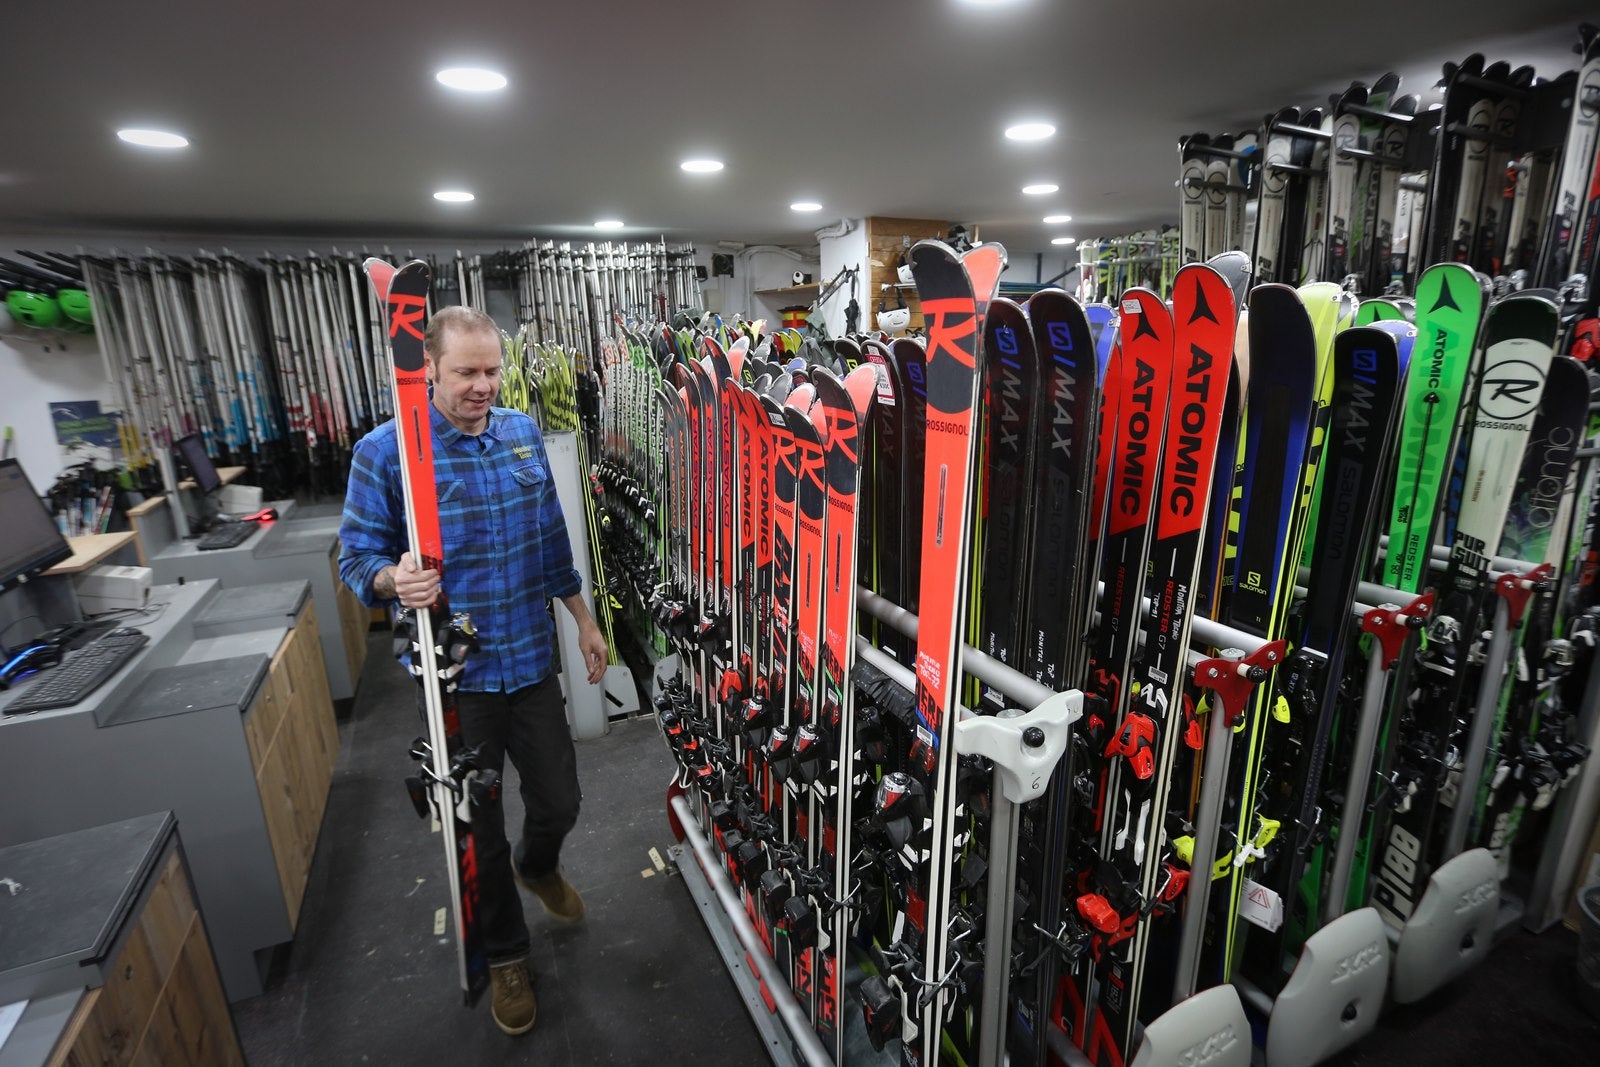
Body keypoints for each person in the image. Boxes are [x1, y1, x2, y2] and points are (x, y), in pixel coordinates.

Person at [338, 304, 608, 1037]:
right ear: (429, 369)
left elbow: (553, 541)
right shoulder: (388, 452)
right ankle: (507, 955)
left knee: (560, 798)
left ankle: (539, 861)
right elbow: (355, 559)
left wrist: (583, 620)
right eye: (467, 372)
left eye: (492, 370)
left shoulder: (520, 435)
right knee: (475, 828)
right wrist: (395, 580)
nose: (483, 385)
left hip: (528, 655)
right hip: (455, 677)